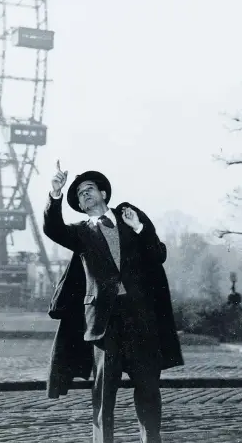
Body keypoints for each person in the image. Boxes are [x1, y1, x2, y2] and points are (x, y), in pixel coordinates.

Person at [43, 161, 183, 443]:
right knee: (104, 392)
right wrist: (55, 194)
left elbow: (158, 255)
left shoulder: (131, 220)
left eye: (89, 189)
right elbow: (53, 228)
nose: (84, 194)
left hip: (140, 320)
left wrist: (141, 228)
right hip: (104, 324)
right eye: (80, 193)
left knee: (148, 389)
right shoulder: (80, 233)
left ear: (104, 194)